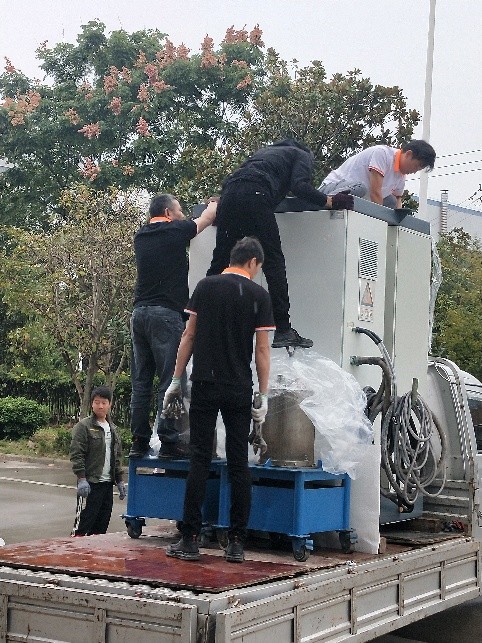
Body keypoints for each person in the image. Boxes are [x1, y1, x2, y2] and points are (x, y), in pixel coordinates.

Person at [164, 237, 275, 563]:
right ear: (253, 262)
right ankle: (237, 543)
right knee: (239, 462)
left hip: (204, 383)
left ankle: (190, 540)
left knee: (199, 458)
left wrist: (175, 379)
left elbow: (189, 335)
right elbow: (262, 350)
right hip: (238, 387)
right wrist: (263, 394)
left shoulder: (205, 286)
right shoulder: (259, 295)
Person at [206, 139, 354, 350]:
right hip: (257, 195)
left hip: (229, 196)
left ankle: (200, 318)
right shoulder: (301, 155)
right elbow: (300, 187)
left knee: (220, 260)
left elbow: (235, 180)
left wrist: (224, 214)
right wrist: (329, 201)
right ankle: (283, 330)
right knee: (273, 262)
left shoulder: (264, 154)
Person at [129, 194, 217, 459]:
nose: (182, 215)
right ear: (168, 213)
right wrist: (215, 203)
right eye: (179, 211)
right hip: (166, 315)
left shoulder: (141, 236)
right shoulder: (175, 230)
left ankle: (139, 442)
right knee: (171, 378)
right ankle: (169, 441)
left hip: (139, 314)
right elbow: (206, 219)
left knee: (141, 382)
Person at [70, 386, 125, 536]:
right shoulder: (84, 426)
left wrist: (119, 480)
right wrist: (81, 478)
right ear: (91, 404)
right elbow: (76, 454)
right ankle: (76, 549)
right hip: (90, 484)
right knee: (82, 526)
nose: (100, 406)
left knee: (101, 528)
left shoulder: (113, 429)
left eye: (104, 402)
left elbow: (117, 456)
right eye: (97, 402)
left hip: (107, 485)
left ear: (110, 404)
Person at [319, 140, 436, 209]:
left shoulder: (400, 177)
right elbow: (375, 192)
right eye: (416, 166)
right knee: (361, 187)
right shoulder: (382, 154)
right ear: (409, 154)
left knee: (390, 202)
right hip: (330, 189)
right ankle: (323, 202)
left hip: (351, 198)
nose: (414, 171)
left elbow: (397, 203)